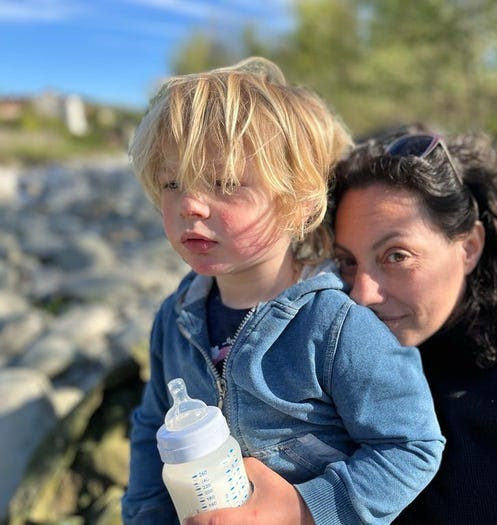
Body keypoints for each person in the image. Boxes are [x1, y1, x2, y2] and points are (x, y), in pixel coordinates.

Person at [190, 129, 497, 524]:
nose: (362, 293)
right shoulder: (345, 361)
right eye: (347, 262)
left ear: (468, 246)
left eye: (396, 256)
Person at [120, 60, 445, 525]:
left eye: (224, 183)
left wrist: (304, 510)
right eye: (173, 183)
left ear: (297, 203)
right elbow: (153, 427)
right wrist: (146, 515)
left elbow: (411, 446)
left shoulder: (336, 325)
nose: (190, 203)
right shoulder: (175, 319)